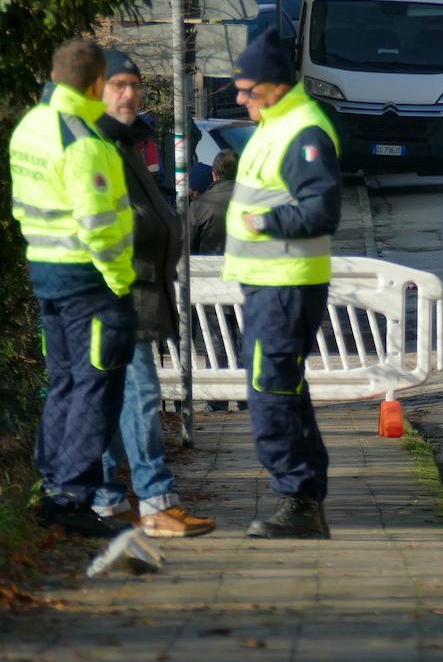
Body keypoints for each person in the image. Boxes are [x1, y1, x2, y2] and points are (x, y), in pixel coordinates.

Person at [8, 39, 136, 538]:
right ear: (97, 83)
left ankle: (52, 484)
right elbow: (100, 224)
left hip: (45, 271)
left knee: (64, 380)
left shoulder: (30, 127)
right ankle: (72, 495)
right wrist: (121, 282)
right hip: (91, 280)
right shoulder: (85, 142)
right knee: (96, 386)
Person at [221, 30, 343, 540]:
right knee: (283, 388)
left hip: (285, 284)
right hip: (270, 283)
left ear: (272, 86)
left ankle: (295, 497)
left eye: (246, 89)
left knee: (269, 389)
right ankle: (304, 495)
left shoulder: (302, 131)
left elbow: (321, 210)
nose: (239, 98)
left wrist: (265, 225)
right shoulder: (279, 125)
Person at [88, 50, 215, 538]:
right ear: (95, 90)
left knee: (118, 398)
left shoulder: (122, 142)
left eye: (134, 85)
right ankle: (156, 501)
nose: (129, 94)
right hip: (117, 291)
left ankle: (107, 498)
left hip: (135, 289)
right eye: (118, 85)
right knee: (138, 395)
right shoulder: (98, 144)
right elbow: (103, 222)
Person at [189, 148, 237, 256]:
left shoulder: (198, 205)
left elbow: (188, 249)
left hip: (209, 270)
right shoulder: (255, 201)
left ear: (214, 175)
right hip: (247, 269)